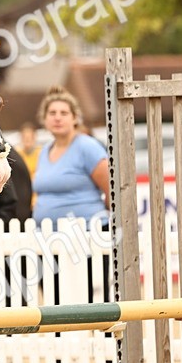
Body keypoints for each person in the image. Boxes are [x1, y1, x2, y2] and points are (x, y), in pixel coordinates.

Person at [32, 87, 111, 303]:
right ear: (44, 119)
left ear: (75, 118)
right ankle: (61, 337)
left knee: (87, 298)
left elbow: (111, 189)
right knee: (55, 297)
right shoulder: (44, 152)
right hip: (49, 238)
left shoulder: (88, 147)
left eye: (64, 113)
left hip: (86, 235)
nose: (57, 118)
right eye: (52, 113)